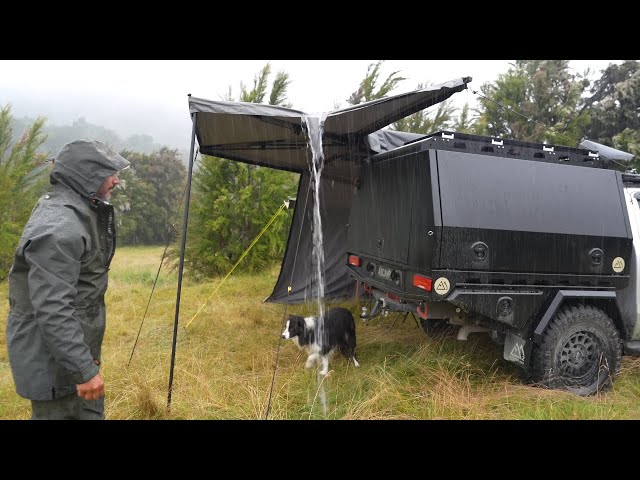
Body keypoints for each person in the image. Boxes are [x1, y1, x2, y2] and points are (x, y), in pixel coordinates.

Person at [5, 139, 130, 420]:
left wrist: (83, 364)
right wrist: (83, 370)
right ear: (85, 177)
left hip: (67, 359)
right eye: (108, 173)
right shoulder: (59, 229)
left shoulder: (74, 210)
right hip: (55, 366)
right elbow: (52, 309)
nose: (115, 180)